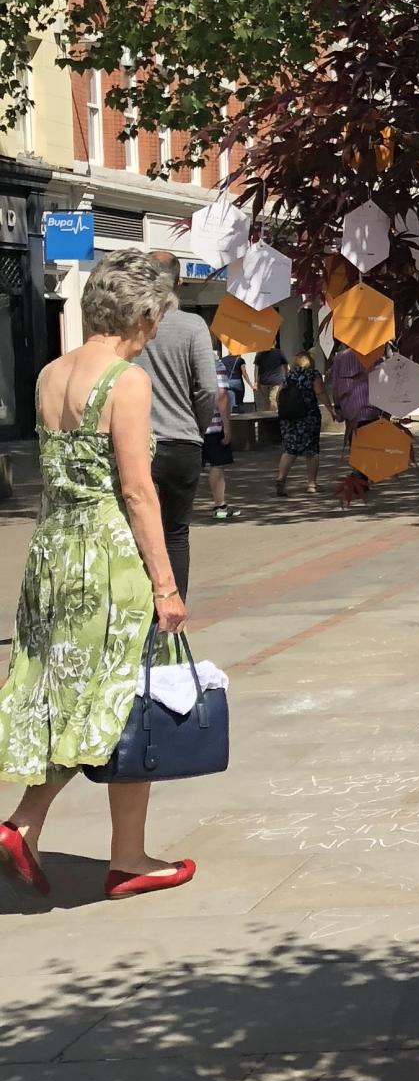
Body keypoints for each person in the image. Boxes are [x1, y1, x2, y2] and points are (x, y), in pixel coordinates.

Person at [0, 252, 193, 896]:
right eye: (158, 316)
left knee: (65, 695)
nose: (158, 331)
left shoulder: (51, 374)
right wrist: (166, 585)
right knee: (126, 698)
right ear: (140, 313)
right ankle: (124, 857)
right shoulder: (125, 381)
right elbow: (138, 491)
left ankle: (30, 827)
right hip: (107, 559)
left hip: (52, 552)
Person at [138, 253, 219, 597]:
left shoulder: (130, 325)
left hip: (137, 442)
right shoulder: (192, 326)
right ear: (179, 282)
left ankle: (137, 614)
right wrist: (196, 429)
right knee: (175, 533)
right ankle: (171, 616)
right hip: (182, 442)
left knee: (136, 531)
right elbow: (207, 388)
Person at [273, 350, 329, 496]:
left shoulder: (289, 376)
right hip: (308, 417)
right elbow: (320, 392)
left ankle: (281, 478)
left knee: (289, 449)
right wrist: (331, 409)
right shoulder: (313, 375)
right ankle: (311, 484)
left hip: (288, 417)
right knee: (312, 450)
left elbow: (279, 395)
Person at [201, 349, 242, 521]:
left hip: (191, 425)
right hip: (214, 425)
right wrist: (227, 426)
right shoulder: (216, 365)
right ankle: (219, 505)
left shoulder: (189, 365)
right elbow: (222, 397)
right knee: (217, 465)